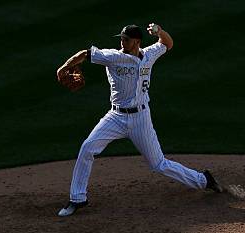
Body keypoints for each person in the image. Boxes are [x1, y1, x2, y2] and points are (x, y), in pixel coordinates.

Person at [56, 23, 222, 217]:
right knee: (87, 147)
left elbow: (168, 43)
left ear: (136, 41)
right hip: (115, 117)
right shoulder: (113, 57)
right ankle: (78, 198)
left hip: (141, 118)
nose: (122, 42)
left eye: (125, 39)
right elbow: (85, 54)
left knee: (158, 164)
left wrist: (159, 32)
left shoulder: (149, 54)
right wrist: (64, 67)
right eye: (121, 38)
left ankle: (204, 180)